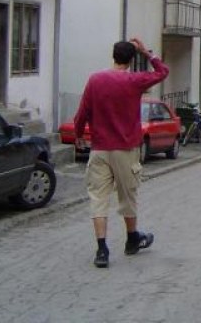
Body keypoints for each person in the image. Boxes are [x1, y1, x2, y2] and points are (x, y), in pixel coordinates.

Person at [74, 38, 169, 268]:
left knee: (98, 197)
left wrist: (78, 135)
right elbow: (163, 72)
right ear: (131, 59)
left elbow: (83, 111)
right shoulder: (134, 81)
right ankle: (132, 239)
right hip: (125, 149)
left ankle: (102, 249)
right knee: (128, 195)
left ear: (113, 55)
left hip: (100, 148)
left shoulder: (95, 80)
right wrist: (147, 52)